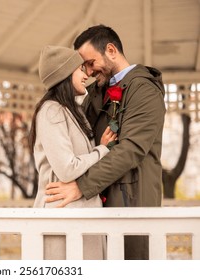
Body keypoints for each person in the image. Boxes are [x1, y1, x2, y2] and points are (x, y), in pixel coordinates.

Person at [44, 25, 166, 260]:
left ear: (111, 50)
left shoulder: (144, 90)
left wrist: (81, 186)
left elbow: (131, 149)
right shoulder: (96, 93)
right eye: (83, 67)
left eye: (90, 63)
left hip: (131, 201)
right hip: (97, 205)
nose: (87, 72)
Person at [29, 45, 117, 260]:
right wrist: (102, 150)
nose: (86, 74)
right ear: (64, 75)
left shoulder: (74, 111)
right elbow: (67, 169)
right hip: (63, 215)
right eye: (79, 69)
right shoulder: (51, 111)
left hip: (82, 212)